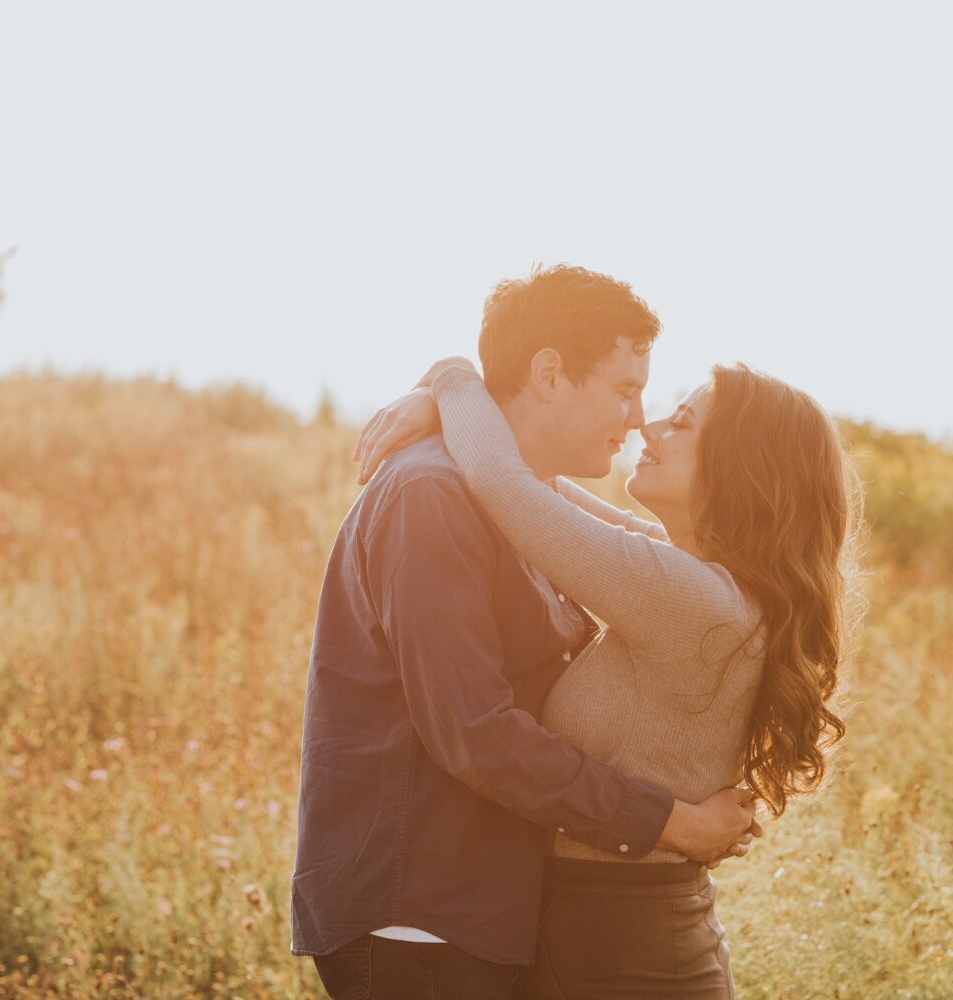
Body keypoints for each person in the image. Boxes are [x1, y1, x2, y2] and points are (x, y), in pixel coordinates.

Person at [291, 265, 761, 1000]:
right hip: (418, 922)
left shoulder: (524, 508)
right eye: (624, 388)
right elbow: (474, 731)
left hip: (485, 915)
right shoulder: (431, 497)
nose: (638, 418)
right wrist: (667, 821)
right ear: (549, 374)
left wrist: (447, 392)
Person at [357, 313, 860, 997]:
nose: (647, 428)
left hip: (630, 951)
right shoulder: (702, 584)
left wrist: (451, 378)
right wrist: (456, 414)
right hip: (604, 933)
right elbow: (535, 487)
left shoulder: (694, 600)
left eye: (681, 423)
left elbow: (509, 489)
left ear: (742, 467)